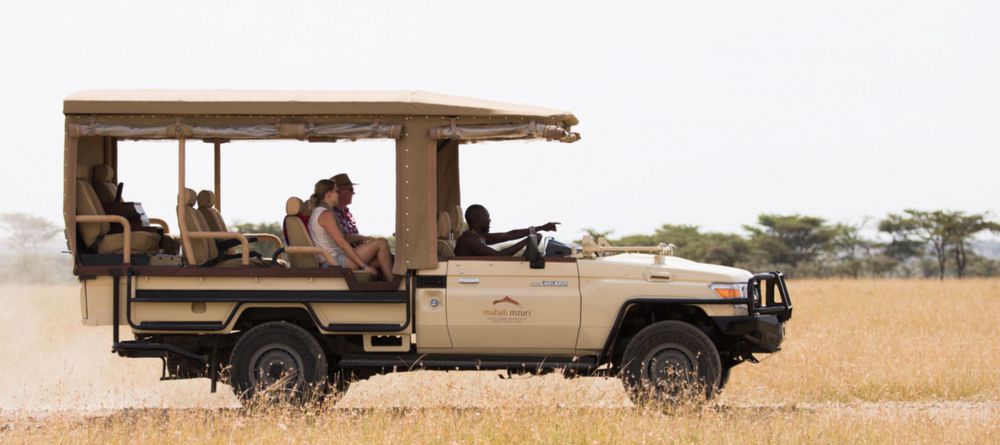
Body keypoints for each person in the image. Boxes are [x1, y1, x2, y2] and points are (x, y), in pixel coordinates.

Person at [308, 179, 394, 279]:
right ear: (329, 194)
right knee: (382, 243)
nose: (338, 194)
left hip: (336, 258)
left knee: (384, 259)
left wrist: (361, 238)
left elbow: (343, 237)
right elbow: (342, 243)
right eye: (336, 191)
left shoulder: (321, 211)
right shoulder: (325, 214)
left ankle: (386, 287)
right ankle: (393, 285)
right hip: (332, 261)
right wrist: (364, 266)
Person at [454, 204, 559, 256]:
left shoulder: (478, 236)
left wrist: (542, 227)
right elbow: (499, 257)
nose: (490, 220)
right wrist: (527, 241)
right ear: (477, 219)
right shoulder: (468, 239)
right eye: (487, 217)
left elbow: (511, 235)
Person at [330, 173, 374, 246]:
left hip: (355, 250)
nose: (353, 193)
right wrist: (362, 238)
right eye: (351, 189)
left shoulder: (348, 213)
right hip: (344, 254)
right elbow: (341, 239)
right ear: (341, 191)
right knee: (381, 243)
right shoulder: (330, 214)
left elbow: (355, 237)